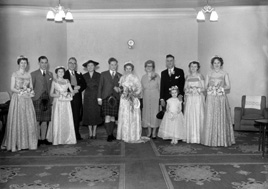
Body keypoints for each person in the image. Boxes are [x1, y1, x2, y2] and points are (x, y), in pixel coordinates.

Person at [1, 55, 37, 152]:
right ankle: (16, 143)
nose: (23, 64)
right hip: (17, 99)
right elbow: (12, 88)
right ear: (18, 63)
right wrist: (21, 91)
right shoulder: (14, 74)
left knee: (27, 118)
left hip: (27, 99)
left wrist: (29, 91)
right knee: (18, 119)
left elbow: (31, 87)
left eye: (25, 63)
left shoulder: (28, 75)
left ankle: (27, 143)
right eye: (22, 63)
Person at [201, 56, 235, 147]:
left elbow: (228, 86)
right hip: (211, 97)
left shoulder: (224, 73)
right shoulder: (209, 73)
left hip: (221, 97)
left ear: (221, 64)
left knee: (221, 116)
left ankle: (222, 140)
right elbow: (205, 86)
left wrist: (220, 88)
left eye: (218, 63)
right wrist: (211, 89)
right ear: (212, 64)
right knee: (211, 116)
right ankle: (210, 139)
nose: (216, 64)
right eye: (215, 63)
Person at [117, 62, 148, 143]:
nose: (128, 70)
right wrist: (120, 91)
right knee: (125, 116)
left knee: (132, 116)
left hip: (132, 99)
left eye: (129, 69)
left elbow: (139, 88)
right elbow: (120, 88)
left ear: (132, 70)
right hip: (124, 99)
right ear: (124, 69)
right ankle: (124, 134)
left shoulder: (135, 78)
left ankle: (133, 134)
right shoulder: (122, 78)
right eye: (126, 68)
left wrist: (133, 94)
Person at [46, 66, 76, 145]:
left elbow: (72, 92)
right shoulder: (54, 81)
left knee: (66, 119)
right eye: (59, 72)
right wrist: (58, 95)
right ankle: (57, 139)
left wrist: (67, 93)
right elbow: (51, 94)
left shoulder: (67, 81)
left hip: (66, 103)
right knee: (57, 119)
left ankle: (67, 138)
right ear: (56, 73)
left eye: (62, 72)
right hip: (58, 102)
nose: (61, 73)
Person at [97, 57, 122, 142]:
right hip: (105, 97)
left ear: (117, 65)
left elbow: (122, 88)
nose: (113, 66)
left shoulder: (120, 75)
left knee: (113, 117)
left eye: (115, 65)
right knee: (107, 116)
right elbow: (100, 86)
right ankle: (109, 135)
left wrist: (119, 89)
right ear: (109, 65)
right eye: (112, 64)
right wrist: (99, 98)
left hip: (115, 98)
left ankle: (111, 133)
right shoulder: (103, 74)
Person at [31, 56, 53, 146]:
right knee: (37, 120)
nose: (44, 64)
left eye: (45, 62)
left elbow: (51, 88)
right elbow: (31, 87)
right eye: (42, 62)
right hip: (37, 99)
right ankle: (37, 139)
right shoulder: (33, 74)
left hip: (47, 98)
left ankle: (43, 138)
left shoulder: (50, 74)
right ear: (39, 63)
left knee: (45, 120)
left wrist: (51, 100)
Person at [64, 57, 86, 140]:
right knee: (68, 116)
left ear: (76, 65)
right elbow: (62, 84)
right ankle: (68, 134)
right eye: (70, 63)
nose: (72, 65)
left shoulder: (79, 74)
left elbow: (84, 84)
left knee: (77, 116)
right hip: (67, 98)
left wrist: (79, 87)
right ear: (68, 64)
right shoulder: (64, 73)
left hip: (77, 98)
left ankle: (76, 134)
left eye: (74, 63)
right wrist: (74, 88)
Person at [184, 61, 205, 144]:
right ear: (189, 68)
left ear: (198, 68)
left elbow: (204, 88)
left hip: (198, 98)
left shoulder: (200, 76)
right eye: (191, 66)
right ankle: (190, 136)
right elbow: (185, 88)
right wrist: (189, 90)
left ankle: (198, 137)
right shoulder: (188, 76)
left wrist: (197, 90)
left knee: (198, 115)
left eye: (195, 66)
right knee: (190, 115)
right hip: (190, 98)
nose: (193, 68)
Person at [82, 60, 102, 139]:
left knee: (96, 114)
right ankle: (90, 131)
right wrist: (82, 98)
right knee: (88, 114)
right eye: (88, 66)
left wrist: (100, 98)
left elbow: (101, 87)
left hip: (96, 96)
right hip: (87, 97)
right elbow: (82, 88)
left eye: (92, 65)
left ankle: (94, 131)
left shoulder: (99, 75)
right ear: (86, 67)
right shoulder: (84, 76)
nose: (90, 67)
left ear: (94, 67)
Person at [141, 60, 160, 139]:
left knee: (154, 113)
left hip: (155, 96)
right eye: (147, 66)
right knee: (147, 113)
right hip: (146, 96)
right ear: (145, 68)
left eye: (150, 66)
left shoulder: (157, 76)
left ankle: (154, 132)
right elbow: (141, 88)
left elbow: (160, 87)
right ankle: (149, 131)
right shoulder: (143, 77)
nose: (149, 68)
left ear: (153, 67)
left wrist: (160, 99)